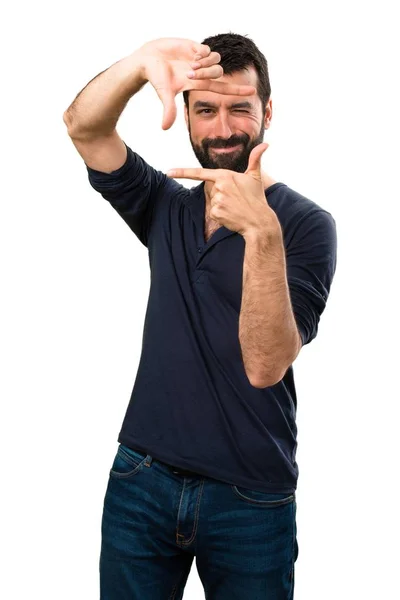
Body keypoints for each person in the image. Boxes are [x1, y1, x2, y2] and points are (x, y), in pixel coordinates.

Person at [64, 33, 337, 600]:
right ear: (186, 114)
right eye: (205, 109)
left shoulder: (305, 225)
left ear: (267, 111)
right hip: (141, 479)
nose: (223, 129)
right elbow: (83, 127)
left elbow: (265, 365)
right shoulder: (164, 203)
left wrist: (260, 232)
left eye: (240, 107)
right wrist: (139, 65)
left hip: (250, 500)